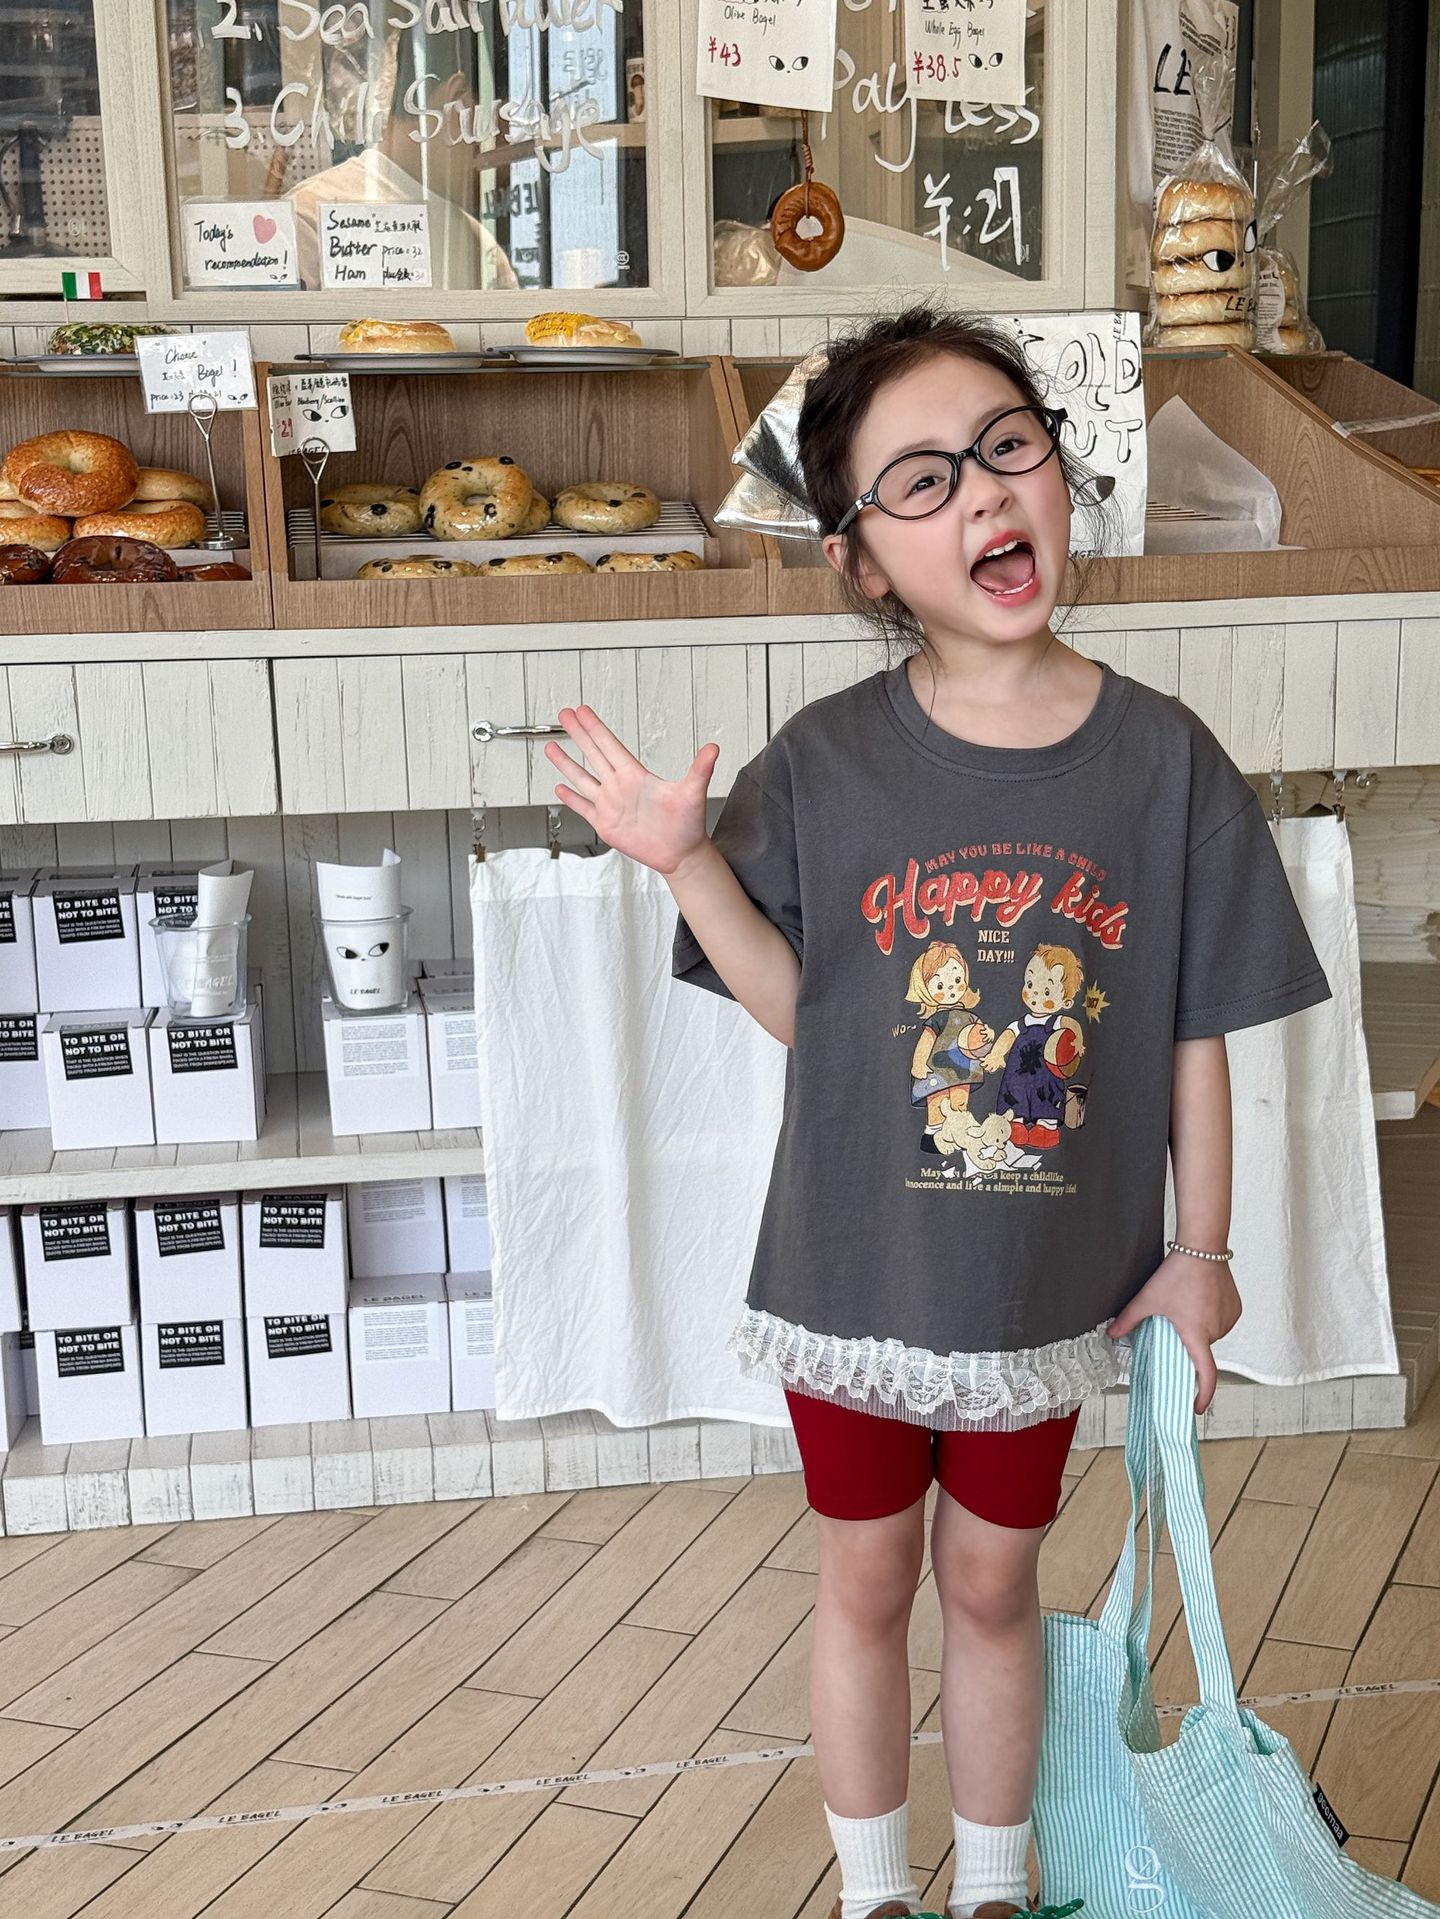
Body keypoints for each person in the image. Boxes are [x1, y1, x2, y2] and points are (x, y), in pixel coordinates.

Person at [540, 303, 1332, 1919]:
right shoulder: (825, 761)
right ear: (858, 559)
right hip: (852, 1277)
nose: (982, 493)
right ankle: (875, 1895)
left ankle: (994, 1888)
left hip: (1042, 1289)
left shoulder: (1165, 762)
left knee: (992, 1582)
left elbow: (1192, 1029)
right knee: (866, 1579)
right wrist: (686, 862)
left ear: (1059, 473)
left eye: (1005, 447)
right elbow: (806, 1013)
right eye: (921, 480)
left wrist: (1201, 1253)